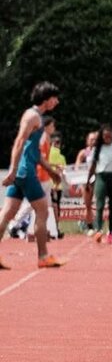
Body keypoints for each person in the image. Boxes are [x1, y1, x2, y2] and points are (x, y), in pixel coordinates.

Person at [0, 83, 64, 269]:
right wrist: (13, 171)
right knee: (43, 211)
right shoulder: (32, 116)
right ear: (46, 99)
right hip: (25, 171)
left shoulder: (38, 118)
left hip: (23, 170)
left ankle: (43, 256)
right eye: (55, 98)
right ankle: (43, 256)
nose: (57, 101)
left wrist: (51, 171)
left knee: (8, 213)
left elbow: (35, 152)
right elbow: (19, 142)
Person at [89, 124, 112, 242]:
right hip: (101, 176)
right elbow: (93, 165)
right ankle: (98, 230)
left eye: (110, 136)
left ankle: (110, 231)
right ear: (102, 136)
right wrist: (88, 179)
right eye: (105, 136)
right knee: (99, 204)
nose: (108, 138)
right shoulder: (97, 148)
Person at [75, 130, 98, 233]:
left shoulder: (101, 151)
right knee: (88, 205)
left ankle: (98, 225)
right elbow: (77, 166)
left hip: (98, 179)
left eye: (95, 139)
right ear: (87, 141)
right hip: (86, 181)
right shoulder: (84, 152)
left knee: (99, 204)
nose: (93, 141)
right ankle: (90, 227)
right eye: (91, 139)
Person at [48, 132, 66, 237]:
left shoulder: (61, 157)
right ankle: (53, 229)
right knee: (52, 206)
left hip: (58, 186)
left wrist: (61, 168)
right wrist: (56, 165)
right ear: (51, 143)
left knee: (57, 207)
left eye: (58, 142)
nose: (57, 144)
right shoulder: (48, 153)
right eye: (55, 142)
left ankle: (56, 228)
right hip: (49, 185)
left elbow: (64, 170)